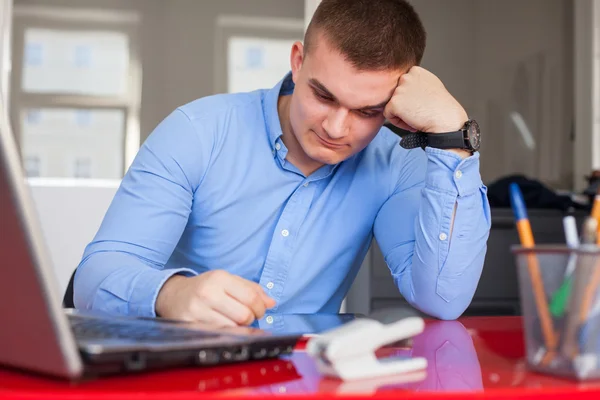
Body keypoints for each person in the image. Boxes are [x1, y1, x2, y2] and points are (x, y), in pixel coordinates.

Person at [74, 0, 491, 325]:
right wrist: (172, 294)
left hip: (304, 379)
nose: (336, 127)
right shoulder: (197, 132)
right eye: (324, 96)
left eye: (367, 111)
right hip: (181, 375)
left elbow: (443, 297)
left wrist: (452, 136)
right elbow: (95, 278)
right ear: (297, 61)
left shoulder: (394, 161)